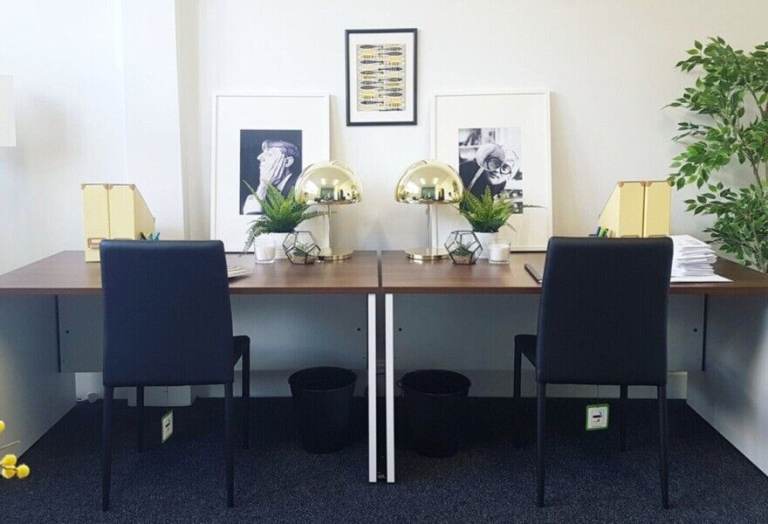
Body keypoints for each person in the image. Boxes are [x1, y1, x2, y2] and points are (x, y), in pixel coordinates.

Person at [242, 140, 300, 214]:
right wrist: (263, 186)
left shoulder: (298, 189)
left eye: (269, 154)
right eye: (262, 154)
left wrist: (264, 185)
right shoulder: (265, 192)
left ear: (287, 162)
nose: (259, 157)